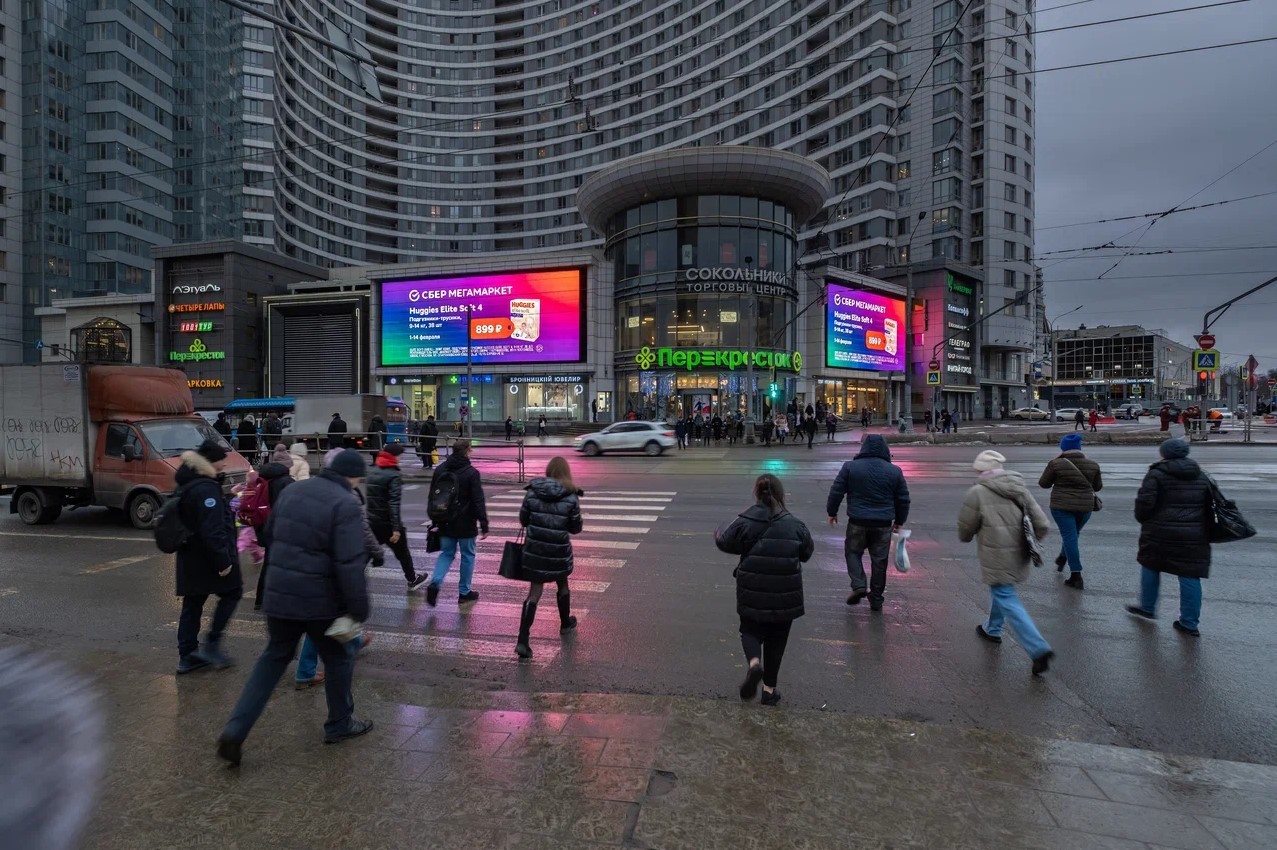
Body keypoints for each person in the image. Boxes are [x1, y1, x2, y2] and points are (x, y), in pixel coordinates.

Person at [216, 449, 374, 766]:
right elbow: (348, 562)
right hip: (320, 601)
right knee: (340, 657)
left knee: (272, 660)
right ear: (351, 476)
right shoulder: (345, 503)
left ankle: (235, 730)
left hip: (279, 594)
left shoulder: (294, 491)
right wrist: (358, 609)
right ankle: (340, 723)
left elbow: (269, 533)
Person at [715, 474, 813, 706]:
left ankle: (754, 664)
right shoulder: (795, 524)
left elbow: (726, 542)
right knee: (777, 641)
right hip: (786, 595)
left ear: (757, 494)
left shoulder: (745, 520)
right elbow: (806, 553)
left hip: (752, 590)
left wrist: (718, 532)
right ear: (781, 494)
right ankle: (769, 691)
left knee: (749, 630)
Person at [958, 450, 1056, 676]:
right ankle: (992, 629)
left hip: (995, 553)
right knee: (1001, 589)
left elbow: (966, 528)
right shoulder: (1019, 488)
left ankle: (1038, 648)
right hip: (1019, 552)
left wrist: (966, 536)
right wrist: (1033, 542)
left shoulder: (978, 492)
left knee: (1005, 595)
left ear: (982, 470)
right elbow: (1042, 523)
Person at [295, 449, 383, 689]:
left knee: (322, 622)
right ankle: (342, 651)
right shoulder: (345, 495)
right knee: (329, 620)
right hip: (330, 568)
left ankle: (350, 644)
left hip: (310, 567)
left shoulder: (312, 489)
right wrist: (377, 551)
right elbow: (362, 528)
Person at [1126, 438, 1213, 636]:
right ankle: (1189, 623)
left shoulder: (1156, 474)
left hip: (1160, 531)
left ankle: (1147, 607)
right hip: (1194, 534)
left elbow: (1144, 505)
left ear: (1164, 453)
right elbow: (1210, 504)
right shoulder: (1201, 475)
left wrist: (1145, 520)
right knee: (1190, 575)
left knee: (1150, 566)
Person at [173, 440, 242, 674]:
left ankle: (188, 655)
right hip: (207, 559)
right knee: (233, 592)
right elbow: (212, 531)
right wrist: (224, 561)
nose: (225, 464)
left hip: (190, 557)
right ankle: (211, 644)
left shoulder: (189, 481)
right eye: (222, 459)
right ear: (211, 461)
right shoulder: (205, 488)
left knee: (192, 603)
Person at [826, 434, 911, 612]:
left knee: (852, 553)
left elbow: (836, 491)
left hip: (857, 521)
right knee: (879, 561)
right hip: (883, 523)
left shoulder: (850, 467)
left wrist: (832, 512)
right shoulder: (894, 471)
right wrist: (899, 521)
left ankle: (858, 584)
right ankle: (877, 599)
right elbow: (903, 499)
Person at [514, 457, 584, 659]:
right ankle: (564, 623)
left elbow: (523, 520)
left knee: (534, 592)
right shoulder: (571, 495)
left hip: (535, 550)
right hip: (558, 551)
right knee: (562, 585)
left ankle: (523, 640)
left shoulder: (533, 491)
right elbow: (575, 528)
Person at [425, 440, 490, 606]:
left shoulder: (440, 469)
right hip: (466, 522)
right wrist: (484, 523)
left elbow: (432, 496)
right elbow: (478, 500)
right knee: (468, 555)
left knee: (446, 554)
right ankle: (464, 592)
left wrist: (435, 519)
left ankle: (435, 582)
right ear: (467, 451)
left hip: (445, 521)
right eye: (471, 450)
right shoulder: (471, 473)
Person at [1039, 433, 1103, 590]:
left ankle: (1076, 575)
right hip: (1085, 507)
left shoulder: (1055, 464)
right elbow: (1097, 487)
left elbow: (1044, 484)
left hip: (1061, 507)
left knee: (1069, 537)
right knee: (1073, 536)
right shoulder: (1093, 464)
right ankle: (1062, 557)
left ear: (1063, 448)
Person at [366, 442, 426, 589]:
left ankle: (348, 582)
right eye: (399, 456)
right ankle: (412, 579)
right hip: (388, 525)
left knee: (366, 553)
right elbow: (393, 504)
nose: (400, 459)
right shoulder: (394, 475)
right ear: (394, 456)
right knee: (403, 553)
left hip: (373, 521)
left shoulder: (372, 471)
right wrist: (396, 528)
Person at [250, 459, 295, 608]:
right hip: (282, 529)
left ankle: (260, 600)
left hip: (264, 527)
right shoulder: (287, 482)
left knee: (268, 564)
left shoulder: (261, 482)